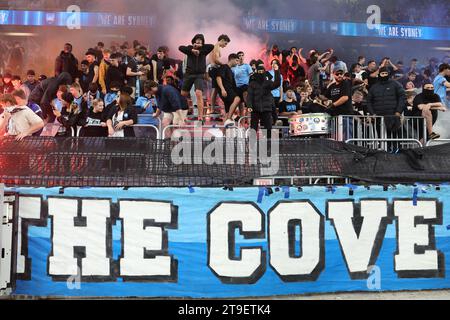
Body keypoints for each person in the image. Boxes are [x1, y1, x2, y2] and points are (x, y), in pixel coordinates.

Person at [367, 67, 406, 152]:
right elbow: (369, 101)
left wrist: (398, 111)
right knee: (381, 136)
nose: (384, 75)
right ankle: (384, 153)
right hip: (378, 117)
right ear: (379, 74)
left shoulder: (396, 84)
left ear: (389, 74)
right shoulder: (374, 87)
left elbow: (402, 98)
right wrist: (372, 113)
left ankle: (397, 153)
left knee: (394, 136)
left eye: (386, 73)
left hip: (393, 115)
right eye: (382, 73)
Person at [179, 34, 215, 123]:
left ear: (202, 42)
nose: (198, 41)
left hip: (199, 75)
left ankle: (200, 117)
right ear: (194, 41)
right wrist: (192, 49)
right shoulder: (189, 49)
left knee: (198, 93)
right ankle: (184, 111)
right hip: (189, 74)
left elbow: (212, 46)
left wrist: (200, 47)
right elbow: (180, 47)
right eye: (197, 40)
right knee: (183, 94)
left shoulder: (204, 50)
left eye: (200, 40)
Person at [246, 63, 281, 139]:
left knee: (268, 128)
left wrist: (276, 71)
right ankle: (252, 146)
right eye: (259, 71)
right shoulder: (252, 84)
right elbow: (249, 96)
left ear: (265, 72)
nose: (261, 73)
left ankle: (268, 146)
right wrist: (249, 106)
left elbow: (277, 84)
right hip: (255, 109)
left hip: (266, 108)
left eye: (262, 71)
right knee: (253, 129)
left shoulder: (268, 83)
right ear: (256, 72)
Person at [216, 53, 241, 126]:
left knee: (227, 113)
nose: (237, 62)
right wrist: (222, 89)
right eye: (236, 60)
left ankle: (224, 134)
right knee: (237, 99)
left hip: (229, 91)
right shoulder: (224, 67)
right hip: (226, 90)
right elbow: (218, 77)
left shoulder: (230, 70)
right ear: (231, 59)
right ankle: (229, 118)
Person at [268, 59, 284, 125]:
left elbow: (281, 87)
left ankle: (276, 124)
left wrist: (281, 97)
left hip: (277, 95)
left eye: (275, 63)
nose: (274, 65)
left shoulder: (280, 75)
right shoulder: (268, 73)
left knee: (276, 110)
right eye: (272, 63)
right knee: (270, 110)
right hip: (269, 95)